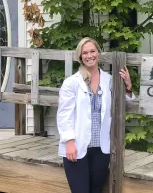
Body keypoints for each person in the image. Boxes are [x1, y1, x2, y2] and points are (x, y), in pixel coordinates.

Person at [56, 37, 135, 193]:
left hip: (101, 149)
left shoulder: (110, 80)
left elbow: (125, 104)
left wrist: (128, 86)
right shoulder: (71, 83)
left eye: (92, 51)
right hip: (76, 148)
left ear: (98, 53)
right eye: (85, 53)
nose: (89, 55)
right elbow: (64, 115)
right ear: (80, 57)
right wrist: (69, 142)